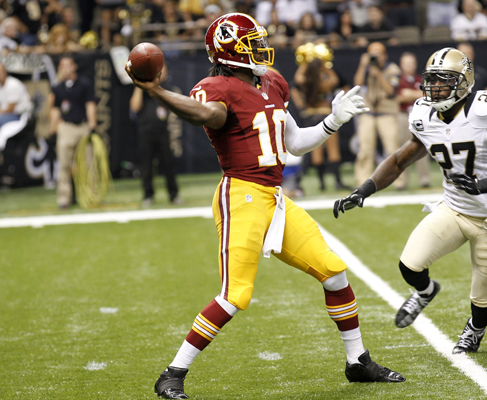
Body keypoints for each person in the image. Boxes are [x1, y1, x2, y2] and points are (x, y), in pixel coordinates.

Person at [126, 13, 405, 399]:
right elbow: (206, 115)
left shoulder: (271, 82)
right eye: (250, 43)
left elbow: (293, 142)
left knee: (334, 271)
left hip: (274, 197)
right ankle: (172, 374)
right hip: (240, 194)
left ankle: (357, 361)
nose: (259, 47)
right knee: (235, 294)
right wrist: (155, 90)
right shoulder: (215, 87)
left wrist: (332, 123)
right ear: (229, 50)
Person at [334, 47, 487, 354]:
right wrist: (364, 190)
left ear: (464, 81)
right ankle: (425, 292)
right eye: (432, 80)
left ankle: (475, 329)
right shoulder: (424, 114)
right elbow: (399, 161)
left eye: (443, 80)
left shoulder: (485, 111)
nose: (434, 87)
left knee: (482, 301)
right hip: (453, 209)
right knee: (409, 264)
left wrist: (484, 185)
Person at [294, 51, 351, 191]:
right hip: (326, 116)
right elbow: (335, 80)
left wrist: (305, 64)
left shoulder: (306, 81)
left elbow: (297, 78)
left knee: (316, 152)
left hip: (311, 117)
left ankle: (322, 184)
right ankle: (337, 181)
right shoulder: (324, 82)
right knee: (333, 151)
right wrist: (325, 67)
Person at [130, 64, 182, 207]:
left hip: (163, 131)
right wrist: (140, 85)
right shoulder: (143, 89)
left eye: (163, 70)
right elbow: (134, 107)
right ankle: (148, 196)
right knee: (146, 166)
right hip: (145, 132)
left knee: (168, 164)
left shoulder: (167, 88)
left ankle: (174, 195)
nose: (160, 73)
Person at [49, 56, 97, 210]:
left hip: (82, 126)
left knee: (88, 164)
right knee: (63, 165)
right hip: (66, 128)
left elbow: (90, 104)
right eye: (62, 66)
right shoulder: (58, 87)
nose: (66, 68)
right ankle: (64, 198)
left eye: (68, 65)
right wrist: (53, 126)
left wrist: (92, 124)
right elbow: (55, 108)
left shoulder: (84, 84)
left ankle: (91, 196)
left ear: (74, 66)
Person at [353, 42, 403, 189]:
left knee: (392, 148)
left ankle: (398, 182)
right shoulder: (366, 67)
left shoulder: (393, 69)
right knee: (365, 148)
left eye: (378, 53)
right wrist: (363, 66)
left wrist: (379, 74)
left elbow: (391, 91)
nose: (375, 57)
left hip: (387, 112)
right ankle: (362, 180)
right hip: (368, 112)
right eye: (372, 53)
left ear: (384, 55)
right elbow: (357, 85)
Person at [396, 52, 430, 189]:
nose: (409, 66)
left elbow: (428, 96)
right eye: (406, 63)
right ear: (401, 65)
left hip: (419, 116)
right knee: (402, 149)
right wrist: (416, 95)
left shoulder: (421, 80)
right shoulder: (397, 80)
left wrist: (411, 94)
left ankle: (424, 179)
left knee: (422, 148)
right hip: (403, 115)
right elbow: (397, 98)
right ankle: (401, 182)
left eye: (411, 63)